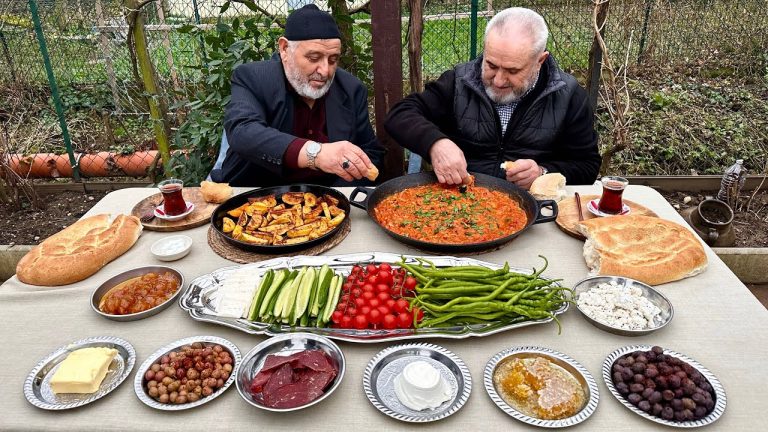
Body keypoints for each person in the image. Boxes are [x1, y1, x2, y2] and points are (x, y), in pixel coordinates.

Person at [384, 7, 601, 189]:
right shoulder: (459, 81)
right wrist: (436, 143)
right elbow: (399, 114)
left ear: (540, 61)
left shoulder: (569, 95)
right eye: (491, 65)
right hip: (457, 200)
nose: (498, 80)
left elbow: (587, 166)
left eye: (513, 71)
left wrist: (544, 173)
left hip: (530, 208)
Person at [214, 4, 383, 187]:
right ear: (285, 49)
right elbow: (243, 131)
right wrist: (316, 154)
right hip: (257, 196)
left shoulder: (351, 89)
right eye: (313, 58)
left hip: (328, 201)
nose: (325, 71)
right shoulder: (253, 78)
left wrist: (335, 196)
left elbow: (371, 152)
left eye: (333, 59)